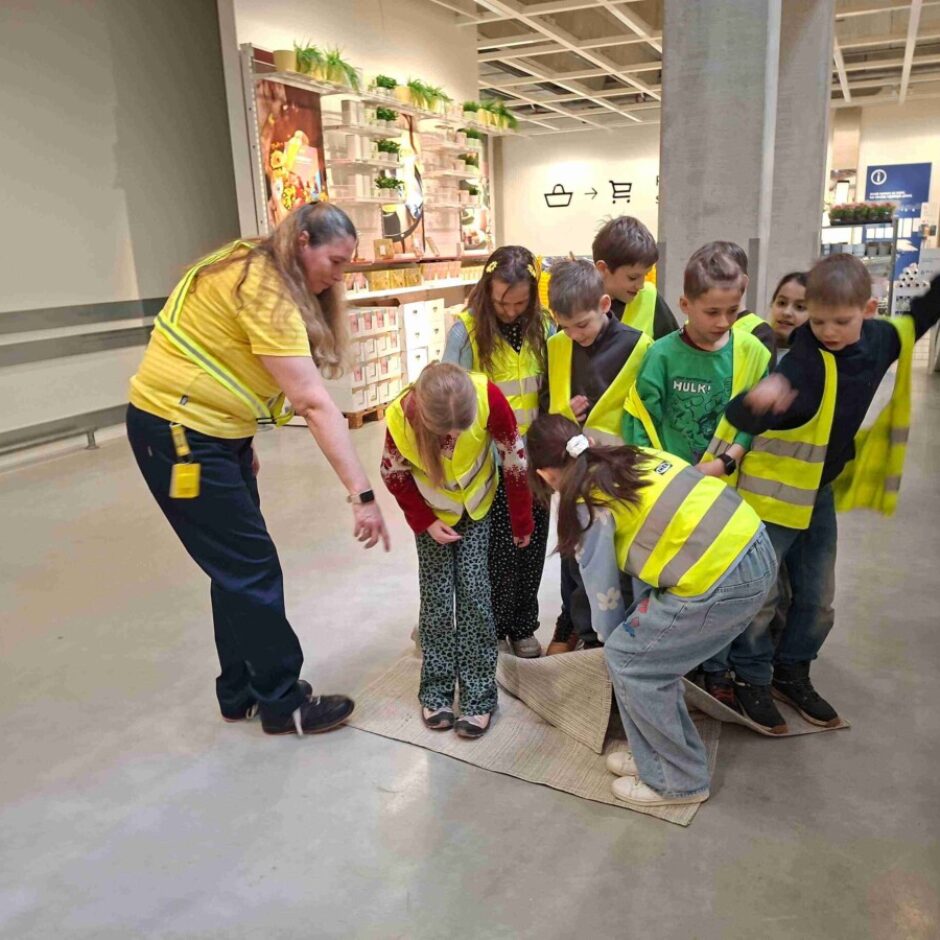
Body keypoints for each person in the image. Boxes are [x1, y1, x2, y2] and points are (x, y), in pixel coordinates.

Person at [126, 201, 389, 737]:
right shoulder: (267, 293)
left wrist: (236, 435)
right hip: (180, 437)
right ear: (302, 243)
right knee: (253, 567)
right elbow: (314, 403)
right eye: (335, 262)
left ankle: (239, 691)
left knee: (235, 569)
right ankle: (281, 702)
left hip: (205, 434)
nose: (339, 275)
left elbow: (221, 353)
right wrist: (362, 496)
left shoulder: (245, 259)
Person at [721, 256, 940, 732]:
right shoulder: (803, 361)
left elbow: (925, 310)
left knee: (818, 598)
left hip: (817, 495)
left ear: (869, 308)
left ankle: (792, 671)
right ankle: (751, 676)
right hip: (772, 499)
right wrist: (757, 402)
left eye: (841, 321)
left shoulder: (882, 340)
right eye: (816, 320)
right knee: (761, 595)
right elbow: (741, 415)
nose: (829, 331)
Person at [527, 414, 776, 808]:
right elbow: (654, 546)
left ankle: (678, 780)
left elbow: (603, 590)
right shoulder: (630, 455)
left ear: (544, 474)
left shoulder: (584, 505)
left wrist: (615, 645)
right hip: (755, 545)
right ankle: (654, 758)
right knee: (647, 655)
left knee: (630, 659)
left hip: (722, 578)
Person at [623, 242, 770, 705]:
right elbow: (638, 421)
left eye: (732, 311)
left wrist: (726, 461)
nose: (723, 322)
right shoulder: (662, 356)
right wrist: (672, 475)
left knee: (717, 584)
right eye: (711, 312)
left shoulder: (749, 352)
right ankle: (671, 665)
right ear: (685, 305)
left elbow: (754, 416)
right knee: (669, 582)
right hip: (672, 496)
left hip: (725, 495)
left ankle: (717, 667)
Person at [380, 363, 534, 738]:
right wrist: (425, 521)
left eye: (459, 429)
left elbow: (514, 461)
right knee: (435, 602)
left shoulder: (488, 397)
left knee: (475, 598)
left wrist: (521, 520)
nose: (452, 435)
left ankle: (479, 697)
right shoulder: (402, 417)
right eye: (444, 430)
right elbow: (393, 474)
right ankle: (435, 691)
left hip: (476, 510)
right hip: (431, 516)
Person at [442, 246, 551, 658]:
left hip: (536, 461)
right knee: (491, 551)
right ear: (486, 290)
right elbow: (447, 399)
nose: (508, 310)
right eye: (501, 300)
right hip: (487, 464)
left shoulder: (545, 327)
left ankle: (523, 624)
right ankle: (487, 623)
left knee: (532, 543)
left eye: (519, 302)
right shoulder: (465, 332)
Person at [541, 259, 652, 654]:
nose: (574, 335)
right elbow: (546, 410)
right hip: (573, 478)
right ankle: (583, 633)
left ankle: (618, 641)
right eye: (565, 326)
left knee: (618, 561)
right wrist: (564, 416)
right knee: (574, 557)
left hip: (620, 478)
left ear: (605, 304)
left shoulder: (640, 346)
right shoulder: (558, 345)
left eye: (582, 325)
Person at [592, 216, 678, 339]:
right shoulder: (577, 301)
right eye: (633, 277)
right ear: (602, 268)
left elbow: (672, 349)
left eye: (645, 275)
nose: (640, 285)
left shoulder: (649, 297)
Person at [766, 271, 809, 360]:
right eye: (782, 303)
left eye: (800, 307)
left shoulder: (817, 364)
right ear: (772, 304)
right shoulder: (748, 348)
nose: (786, 312)